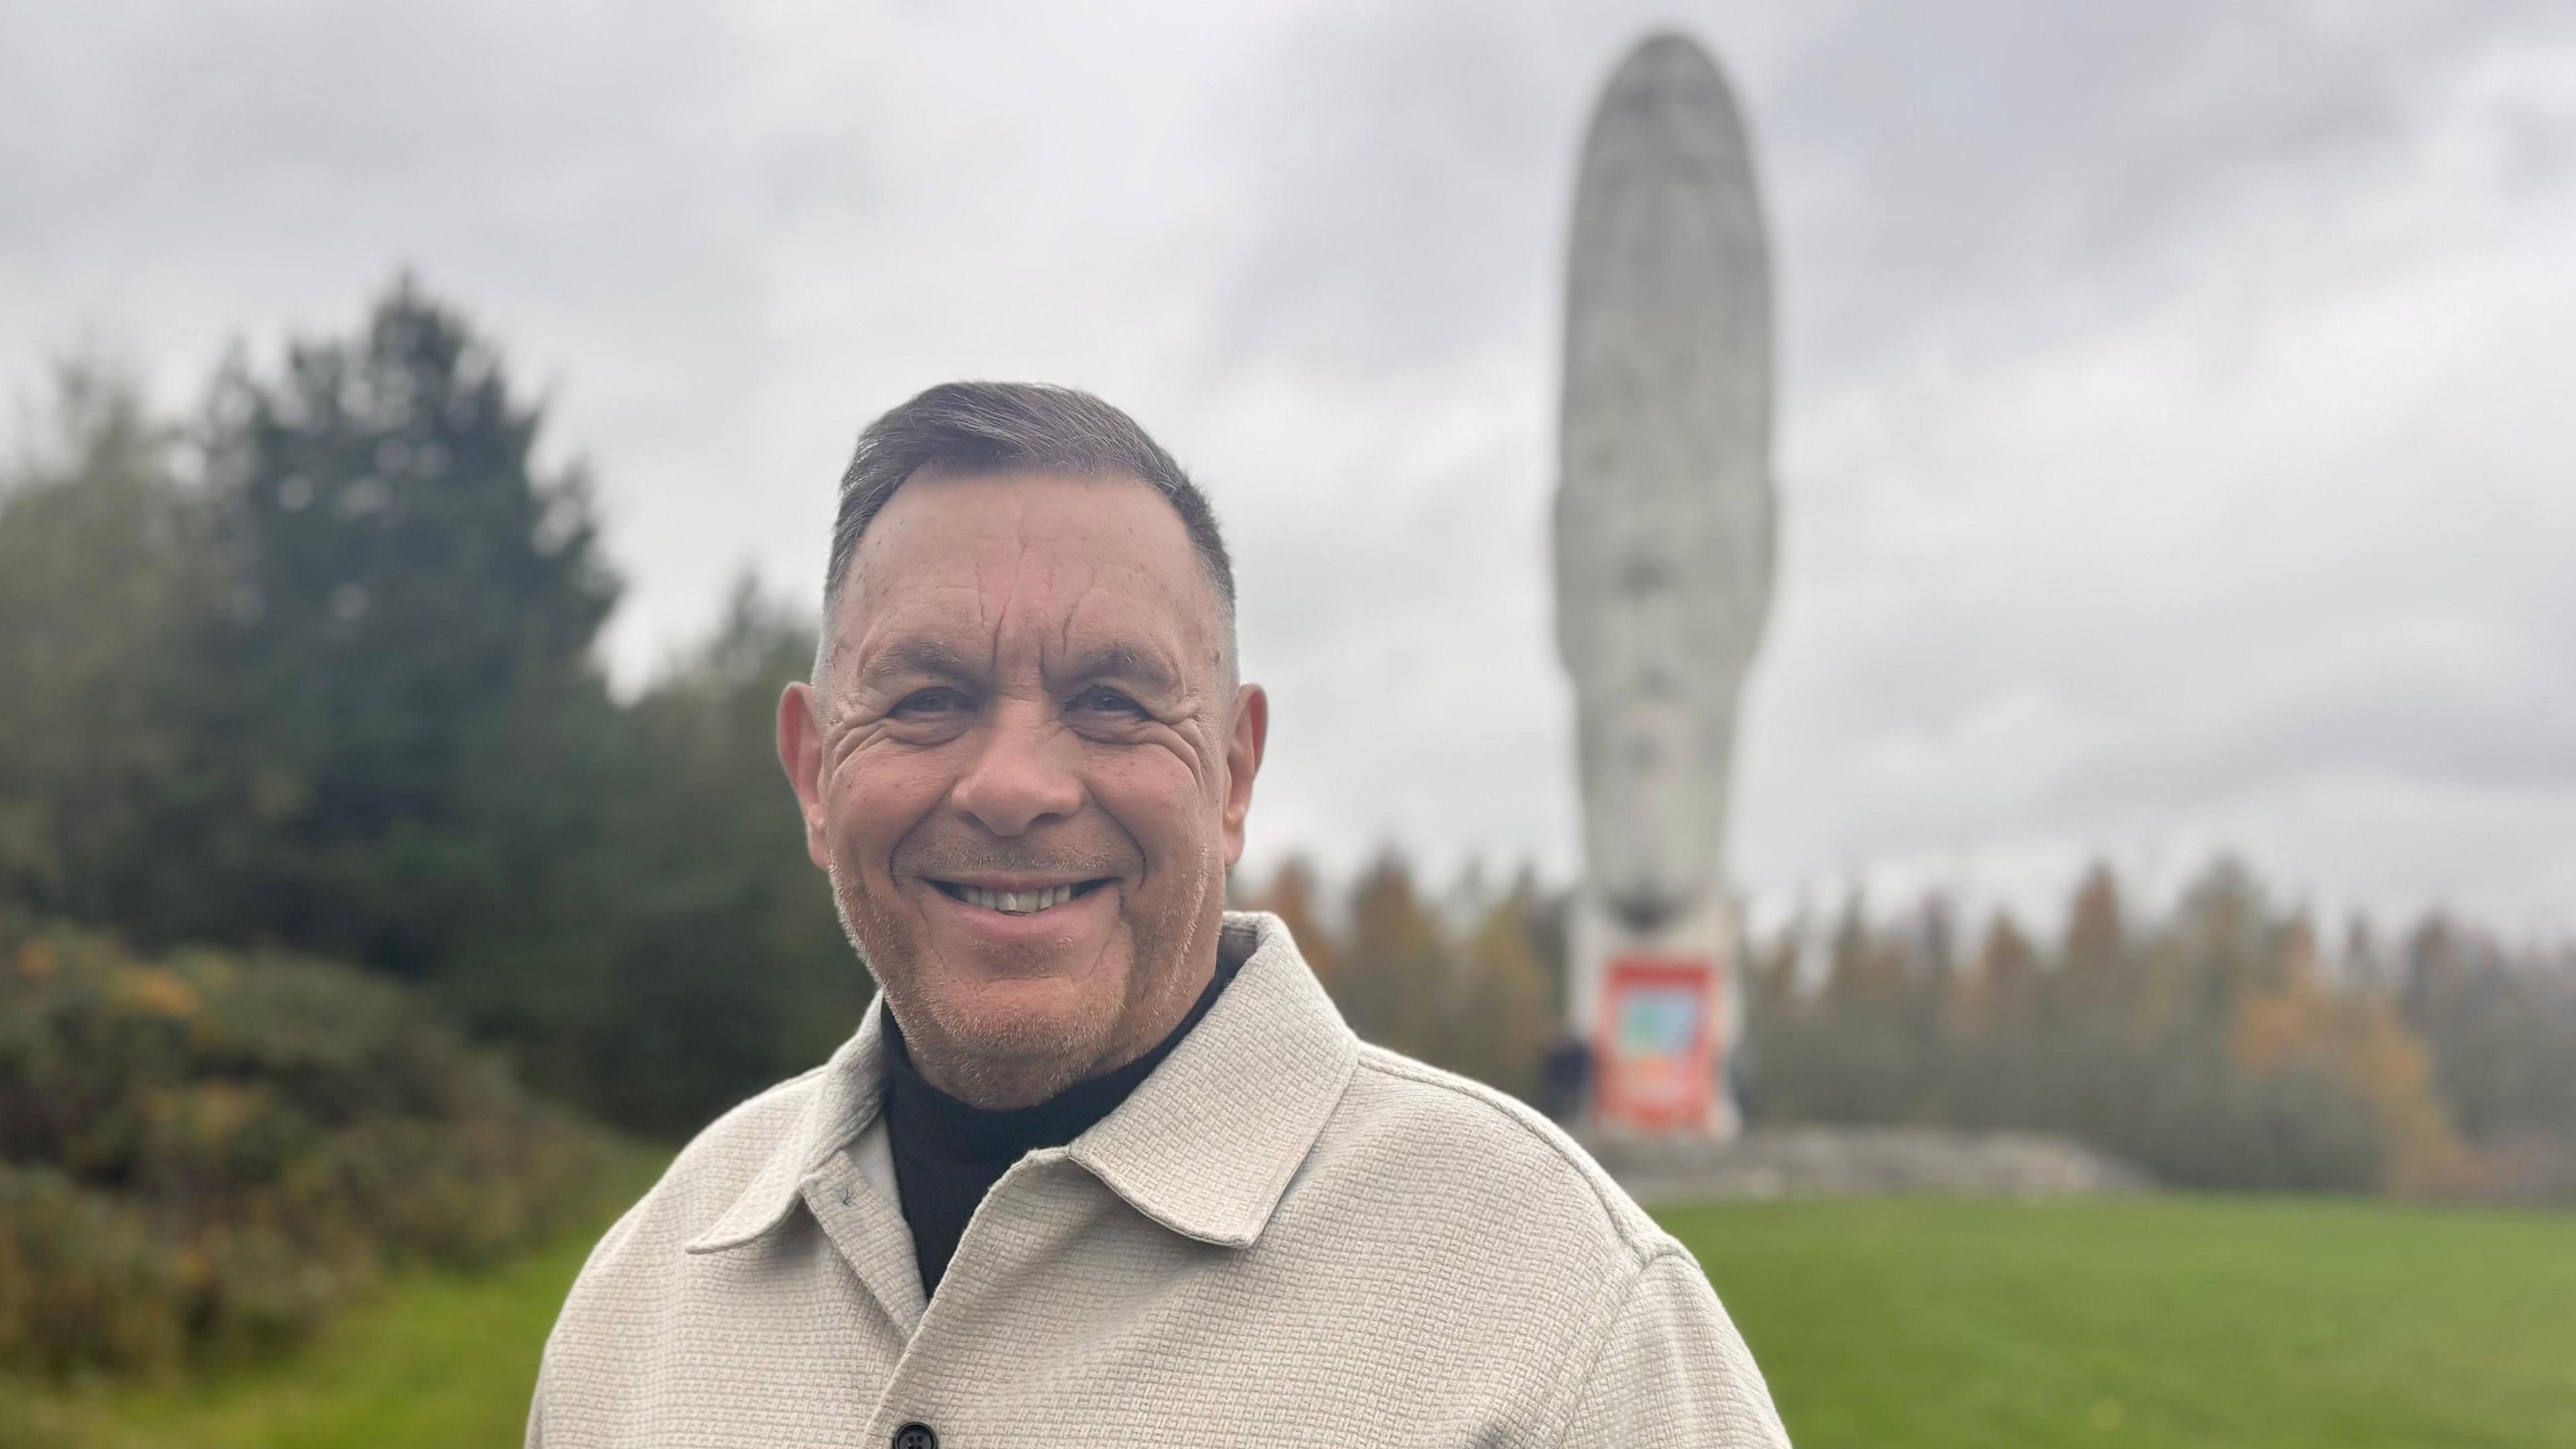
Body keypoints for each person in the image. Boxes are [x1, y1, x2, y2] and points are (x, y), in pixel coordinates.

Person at [525, 382, 1788, 1448]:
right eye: (926, 696)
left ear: (1233, 775)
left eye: (1114, 701)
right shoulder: (644, 1300)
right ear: (812, 772)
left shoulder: (1567, 1314)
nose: (1014, 786)